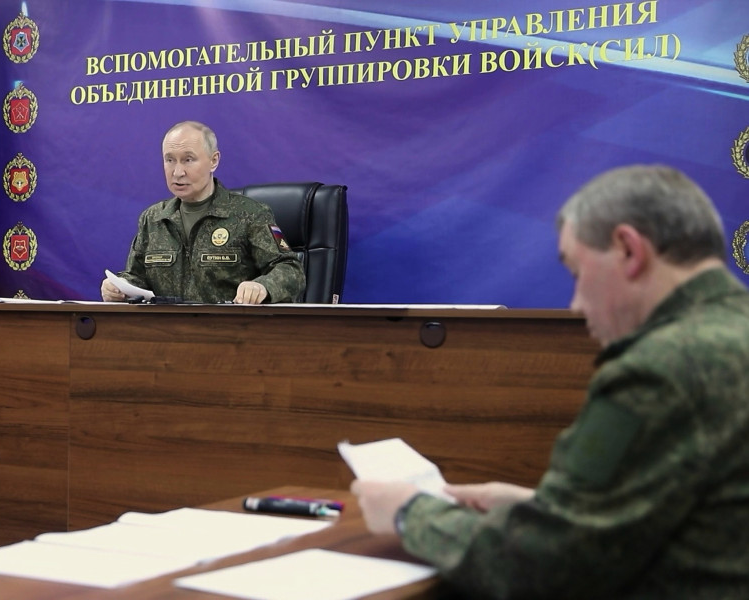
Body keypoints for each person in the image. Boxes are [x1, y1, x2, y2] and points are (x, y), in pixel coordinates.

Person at [351, 165, 749, 599]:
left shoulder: (659, 369)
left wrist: (410, 513)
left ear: (628, 250)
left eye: (577, 273)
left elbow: (548, 565)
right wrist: (536, 507)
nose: (576, 304)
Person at [101, 121, 305, 304]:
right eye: (169, 160)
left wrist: (262, 286)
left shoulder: (250, 215)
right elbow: (136, 277)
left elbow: (291, 271)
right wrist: (119, 287)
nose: (177, 172)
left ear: (213, 161)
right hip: (165, 330)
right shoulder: (153, 219)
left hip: (229, 330)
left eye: (188, 160)